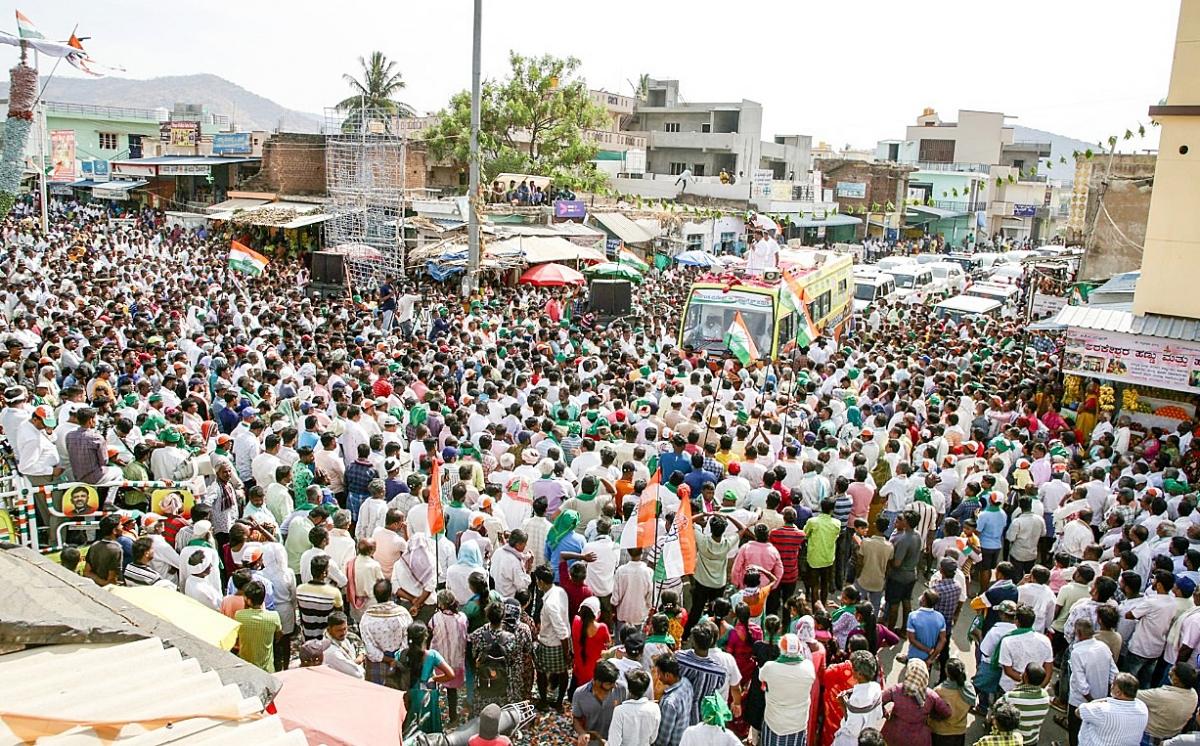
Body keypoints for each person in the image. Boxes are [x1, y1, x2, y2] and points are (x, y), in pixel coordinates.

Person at [759, 633, 816, 746]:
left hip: (774, 723)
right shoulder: (808, 667)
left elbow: (761, 677)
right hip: (797, 724)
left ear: (781, 648)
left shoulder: (770, 667)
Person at [401, 622, 457, 733]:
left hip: (409, 696)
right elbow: (450, 674)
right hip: (428, 698)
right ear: (425, 637)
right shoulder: (432, 655)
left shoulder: (401, 654)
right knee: (430, 729)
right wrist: (435, 678)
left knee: (411, 729)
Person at [880, 659, 950, 746]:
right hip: (918, 738)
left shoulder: (896, 690)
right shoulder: (930, 695)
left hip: (893, 733)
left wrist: (885, 713)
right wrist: (932, 717)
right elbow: (946, 712)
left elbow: (879, 701)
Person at [1076, 673, 1149, 746]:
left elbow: (1078, 711)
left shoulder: (1103, 710)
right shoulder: (1142, 708)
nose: (1111, 686)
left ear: (1118, 692)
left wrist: (1102, 700)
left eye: (1113, 685)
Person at [572, 660, 627, 746]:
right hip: (593, 742)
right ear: (596, 681)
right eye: (609, 684)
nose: (613, 686)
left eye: (614, 682)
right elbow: (576, 719)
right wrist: (582, 733)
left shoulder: (621, 689)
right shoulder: (580, 694)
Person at [608, 668, 660, 746]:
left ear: (629, 689)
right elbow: (652, 738)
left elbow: (614, 743)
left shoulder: (620, 711)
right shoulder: (655, 708)